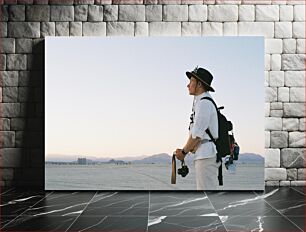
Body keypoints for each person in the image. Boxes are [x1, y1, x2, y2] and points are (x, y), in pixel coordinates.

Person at [174, 66, 220, 190]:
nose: (188, 85)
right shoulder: (201, 102)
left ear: (199, 84)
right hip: (204, 154)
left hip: (206, 155)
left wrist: (183, 152)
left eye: (191, 81)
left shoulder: (204, 103)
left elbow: (197, 134)